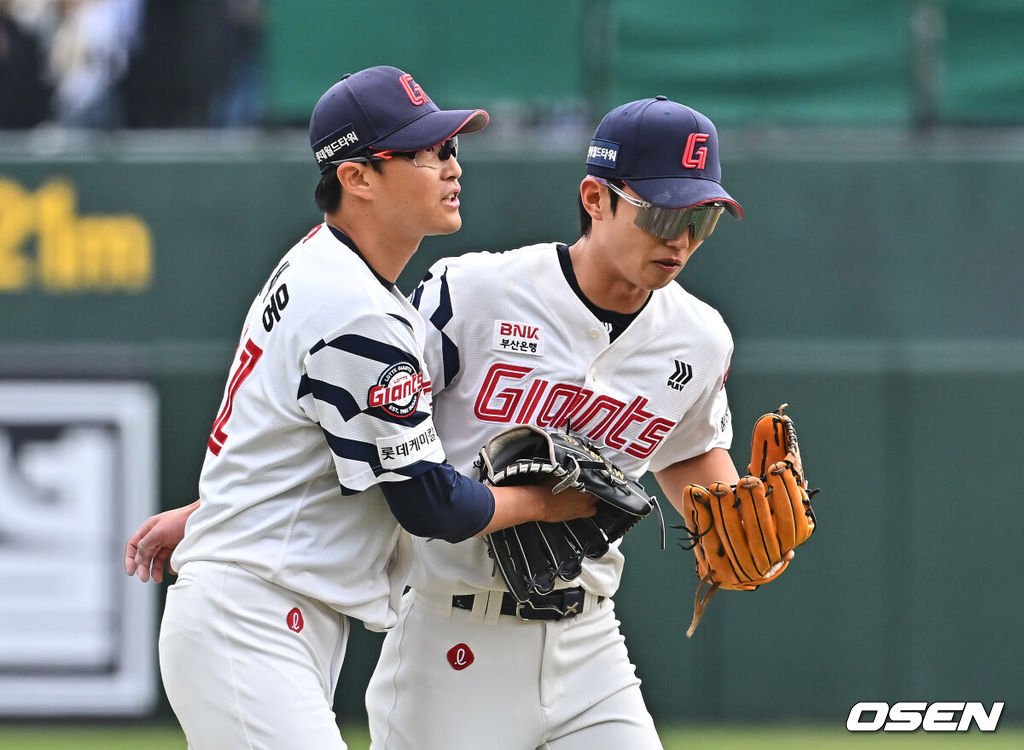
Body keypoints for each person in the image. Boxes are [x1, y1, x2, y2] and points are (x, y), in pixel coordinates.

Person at [129, 95, 783, 748]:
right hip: (452, 635)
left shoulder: (700, 340)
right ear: (595, 198)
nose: (679, 239)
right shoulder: (471, 293)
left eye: (701, 219)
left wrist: (743, 540)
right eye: (662, 212)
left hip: (590, 642)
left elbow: (695, 462)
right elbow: (373, 434)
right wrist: (208, 513)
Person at [125, 65, 595, 750]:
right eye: (427, 152)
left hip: (265, 614)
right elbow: (430, 504)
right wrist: (549, 501)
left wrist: (212, 512)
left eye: (452, 149)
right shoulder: (356, 310)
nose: (452, 167)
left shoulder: (327, 271)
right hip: (250, 618)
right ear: (358, 177)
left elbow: (326, 446)